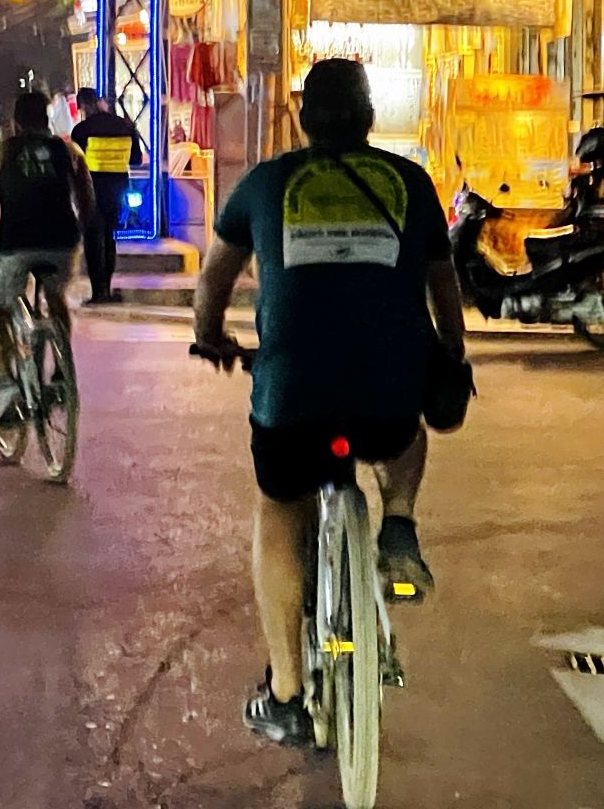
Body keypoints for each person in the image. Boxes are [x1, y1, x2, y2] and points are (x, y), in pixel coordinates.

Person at [191, 58, 467, 748]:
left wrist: (211, 339)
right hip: (387, 395)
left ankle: (286, 691)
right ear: (368, 116)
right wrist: (452, 355)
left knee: (279, 507)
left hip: (294, 391)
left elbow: (214, 278)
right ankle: (398, 522)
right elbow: (444, 286)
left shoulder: (268, 183)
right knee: (404, 436)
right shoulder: (407, 182)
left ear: (303, 118)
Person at [0, 91, 95, 413]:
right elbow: (88, 204)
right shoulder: (69, 151)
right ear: (47, 119)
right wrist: (81, 240)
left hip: (15, 246)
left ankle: (8, 389)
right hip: (62, 246)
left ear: (14, 122)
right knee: (56, 297)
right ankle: (63, 371)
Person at [70, 87, 146, 305]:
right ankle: (107, 289)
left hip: (91, 190)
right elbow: (136, 160)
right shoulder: (126, 126)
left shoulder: (82, 130)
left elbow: (75, 163)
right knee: (110, 238)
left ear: (83, 105)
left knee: (93, 239)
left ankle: (98, 293)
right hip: (118, 188)